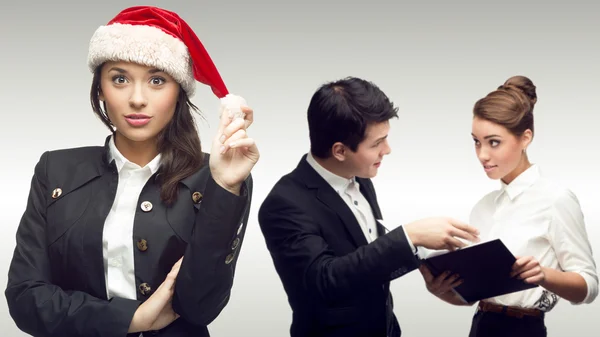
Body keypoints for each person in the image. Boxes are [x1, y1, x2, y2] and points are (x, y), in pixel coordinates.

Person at [5, 6, 259, 337]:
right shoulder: (56, 170)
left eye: (157, 80)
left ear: (178, 92)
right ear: (100, 89)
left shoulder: (214, 174)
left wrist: (224, 187)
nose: (137, 99)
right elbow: (26, 299)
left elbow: (201, 306)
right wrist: (133, 320)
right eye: (120, 78)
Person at [258, 76, 481, 337]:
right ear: (340, 151)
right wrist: (410, 236)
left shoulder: (360, 177)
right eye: (377, 143)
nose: (387, 150)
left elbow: (364, 254)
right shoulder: (284, 203)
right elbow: (325, 279)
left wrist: (423, 263)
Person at [419, 75, 598, 337]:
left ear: (526, 138)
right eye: (476, 142)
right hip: (481, 326)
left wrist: (543, 275)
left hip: (524, 329)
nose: (482, 154)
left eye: (494, 142)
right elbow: (472, 297)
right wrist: (441, 291)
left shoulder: (556, 199)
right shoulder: (484, 207)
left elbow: (589, 287)